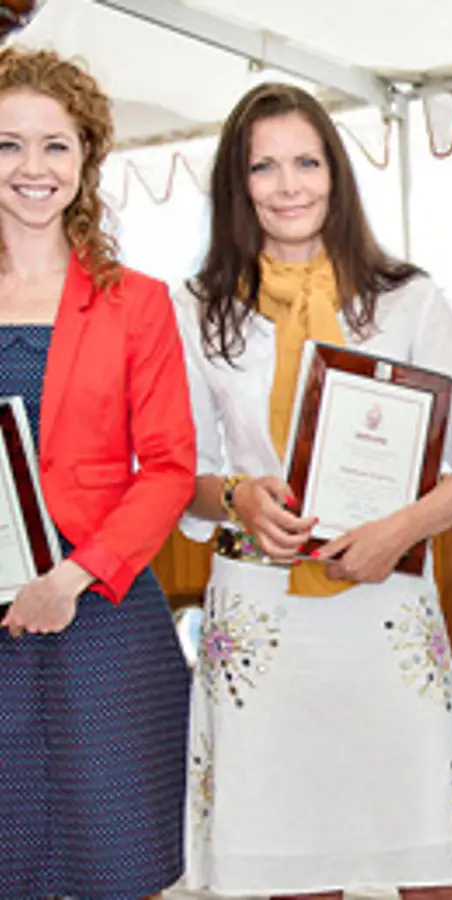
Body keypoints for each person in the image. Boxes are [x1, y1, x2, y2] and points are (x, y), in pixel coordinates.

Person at [174, 82, 452, 898]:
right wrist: (239, 498)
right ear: (236, 183)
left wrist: (403, 527)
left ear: (336, 172)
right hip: (263, 616)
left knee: (432, 861)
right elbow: (181, 472)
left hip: (385, 608)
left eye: (307, 161)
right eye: (264, 166)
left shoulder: (406, 298)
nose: (288, 186)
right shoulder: (196, 309)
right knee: (296, 868)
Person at [0, 47, 196, 899]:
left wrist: (73, 576)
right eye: (7, 145)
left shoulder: (137, 302)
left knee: (120, 861)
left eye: (55, 145)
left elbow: (169, 469)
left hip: (102, 613)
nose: (32, 169)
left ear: (87, 160)